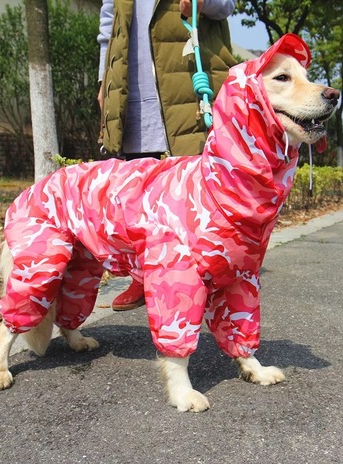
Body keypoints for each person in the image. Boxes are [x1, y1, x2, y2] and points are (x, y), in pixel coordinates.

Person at [97, 0, 237, 310]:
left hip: (187, 74)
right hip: (132, 83)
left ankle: (205, 271)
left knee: (195, 190)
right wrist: (103, 80)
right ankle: (144, 271)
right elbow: (110, 21)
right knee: (139, 189)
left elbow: (227, 4)